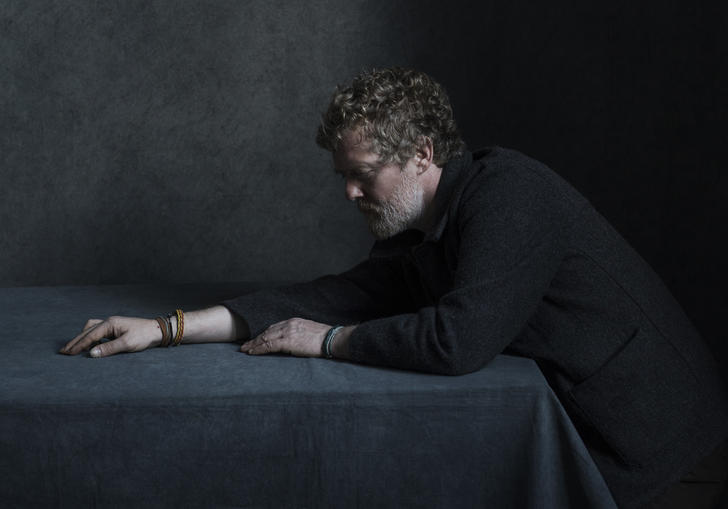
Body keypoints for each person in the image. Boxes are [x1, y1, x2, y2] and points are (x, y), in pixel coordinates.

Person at [60, 67, 727, 508]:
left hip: (669, 458)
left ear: (424, 155)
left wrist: (329, 344)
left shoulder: (508, 195)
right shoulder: (420, 234)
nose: (350, 192)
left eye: (364, 173)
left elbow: (457, 339)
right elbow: (333, 295)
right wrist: (168, 327)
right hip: (595, 445)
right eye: (343, 176)